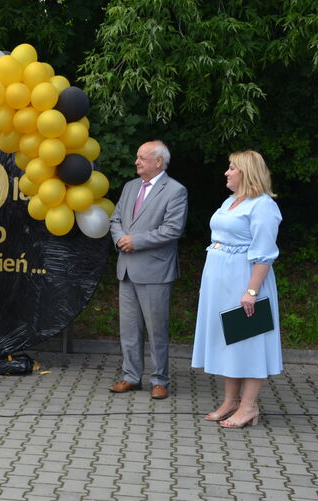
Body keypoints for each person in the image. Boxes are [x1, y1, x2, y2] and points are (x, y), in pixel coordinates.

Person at [192, 150, 282, 428]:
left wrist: (252, 291)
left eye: (232, 168)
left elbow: (264, 253)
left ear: (246, 172)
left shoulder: (263, 205)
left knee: (249, 340)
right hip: (221, 281)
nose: (226, 172)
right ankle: (231, 401)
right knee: (228, 340)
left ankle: (249, 406)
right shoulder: (231, 201)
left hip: (245, 280)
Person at [108, 140, 188, 399]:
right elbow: (116, 218)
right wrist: (121, 237)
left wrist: (136, 241)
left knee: (156, 329)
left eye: (142, 158)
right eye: (137, 157)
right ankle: (131, 377)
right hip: (127, 269)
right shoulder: (131, 187)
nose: (137, 162)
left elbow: (172, 229)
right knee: (129, 329)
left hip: (155, 271)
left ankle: (160, 380)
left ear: (159, 162)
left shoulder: (175, 191)